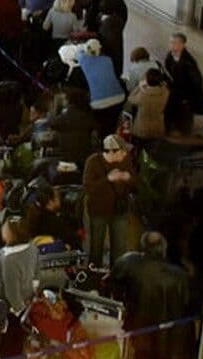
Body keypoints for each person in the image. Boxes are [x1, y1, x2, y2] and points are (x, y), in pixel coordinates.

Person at [111, 231, 195, 359]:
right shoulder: (180, 275)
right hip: (172, 332)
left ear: (143, 249)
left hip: (141, 325)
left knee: (143, 356)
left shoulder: (129, 265)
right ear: (164, 249)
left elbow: (115, 286)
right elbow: (190, 303)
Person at [84, 134, 138, 269]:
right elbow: (89, 187)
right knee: (96, 247)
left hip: (120, 209)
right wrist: (107, 179)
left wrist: (128, 178)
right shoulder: (93, 162)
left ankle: (117, 276)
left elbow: (136, 182)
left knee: (119, 248)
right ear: (112, 151)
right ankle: (94, 275)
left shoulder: (126, 160)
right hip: (98, 211)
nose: (125, 154)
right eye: (122, 151)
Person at [0, 218, 39, 315]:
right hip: (24, 298)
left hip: (8, 305)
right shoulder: (32, 248)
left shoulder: (9, 258)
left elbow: (11, 290)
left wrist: (19, 311)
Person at [77, 39, 126, 139]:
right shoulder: (107, 60)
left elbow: (78, 52)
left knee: (102, 128)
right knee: (112, 125)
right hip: (119, 97)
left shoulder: (83, 60)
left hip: (99, 103)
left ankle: (104, 146)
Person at [163, 32, 203, 135]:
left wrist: (188, 97)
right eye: (171, 42)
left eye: (176, 43)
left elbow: (197, 81)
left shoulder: (188, 62)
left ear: (183, 45)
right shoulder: (170, 55)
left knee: (185, 114)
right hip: (174, 90)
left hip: (186, 94)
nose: (172, 45)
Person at [47, 89, 98, 167]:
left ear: (69, 100)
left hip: (67, 159)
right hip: (85, 159)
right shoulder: (88, 116)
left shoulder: (66, 117)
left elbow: (51, 122)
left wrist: (56, 106)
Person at [126, 68, 169, 143]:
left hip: (143, 129)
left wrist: (139, 87)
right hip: (158, 126)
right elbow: (164, 86)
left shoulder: (143, 96)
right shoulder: (165, 92)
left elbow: (130, 98)